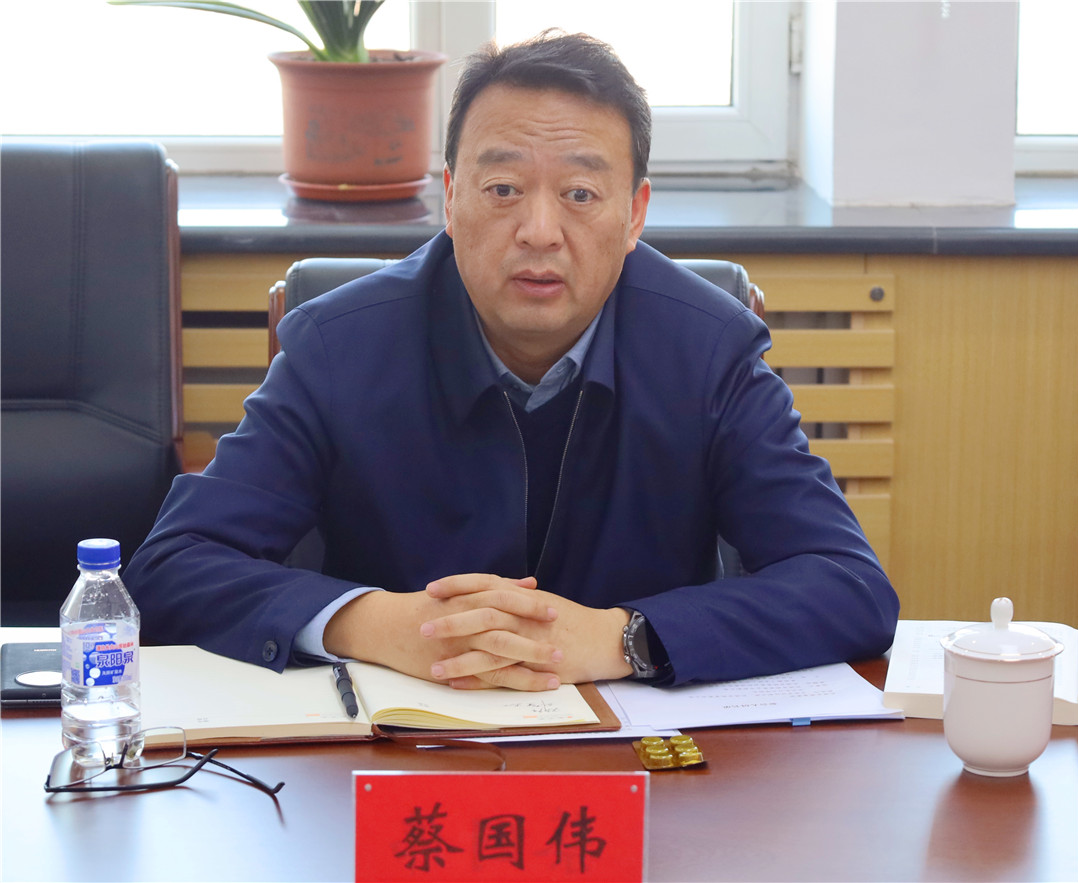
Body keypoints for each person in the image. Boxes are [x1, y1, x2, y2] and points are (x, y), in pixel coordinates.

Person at [126, 31, 899, 691]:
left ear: (635, 214)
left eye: (580, 194)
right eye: (502, 188)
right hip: (397, 756)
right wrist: (372, 622)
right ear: (451, 198)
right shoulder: (339, 346)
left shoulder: (709, 350)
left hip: (644, 766)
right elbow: (171, 566)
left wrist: (623, 637)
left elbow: (850, 585)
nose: (538, 230)